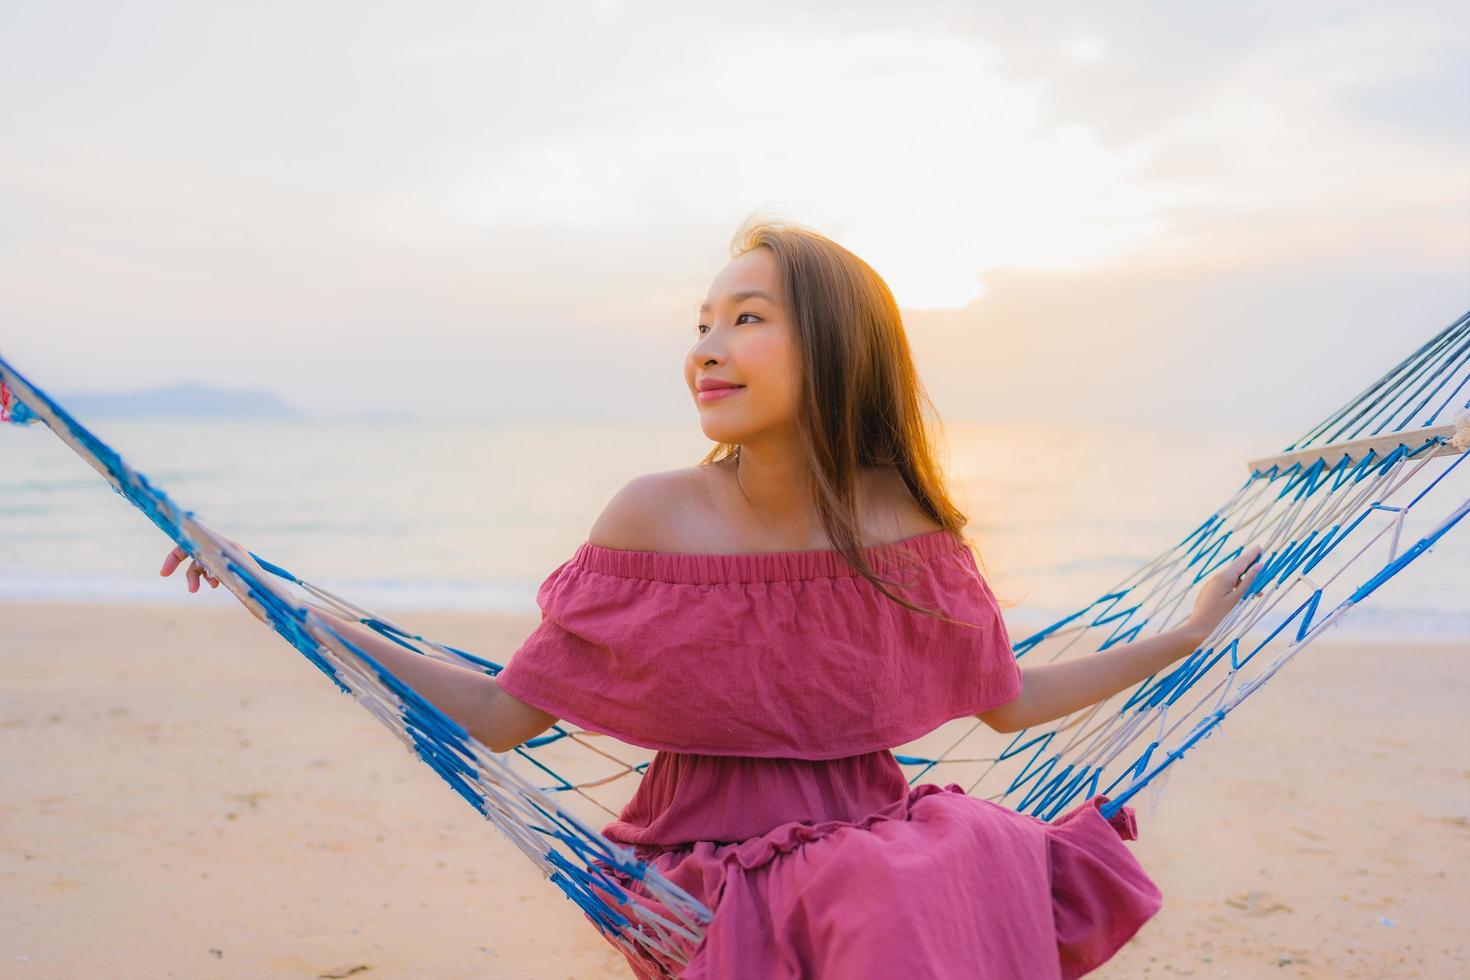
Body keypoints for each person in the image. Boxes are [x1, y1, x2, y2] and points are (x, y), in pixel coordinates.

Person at [162, 217, 1264, 978]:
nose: (706, 349)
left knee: (965, 851)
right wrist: (293, 605)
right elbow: (506, 716)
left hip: (881, 844)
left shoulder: (906, 529)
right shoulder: (655, 517)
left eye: (746, 318)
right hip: (704, 878)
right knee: (898, 884)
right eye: (701, 320)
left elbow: (1010, 701)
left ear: (835, 349)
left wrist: (1186, 633)